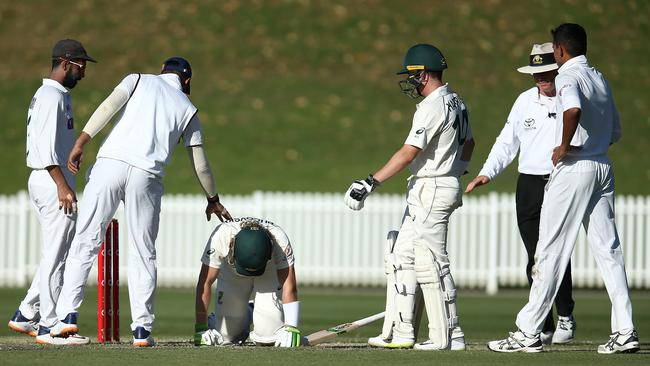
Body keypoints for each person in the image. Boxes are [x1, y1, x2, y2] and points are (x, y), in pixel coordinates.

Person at [48, 57, 232, 347]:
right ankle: (142, 331)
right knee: (143, 252)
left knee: (85, 241)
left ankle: (66, 320)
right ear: (187, 82)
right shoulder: (188, 109)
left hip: (110, 164)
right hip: (147, 174)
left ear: (162, 72)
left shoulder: (136, 80)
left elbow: (107, 108)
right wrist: (213, 199)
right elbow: (200, 163)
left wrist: (80, 142)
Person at [488, 23, 640, 354]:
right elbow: (615, 130)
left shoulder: (567, 77)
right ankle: (625, 330)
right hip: (602, 165)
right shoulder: (599, 77)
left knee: (549, 249)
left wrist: (564, 145)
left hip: (575, 167)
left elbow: (572, 109)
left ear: (559, 51)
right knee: (609, 251)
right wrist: (593, 144)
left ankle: (528, 332)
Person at [344, 44, 474, 350]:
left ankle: (447, 336)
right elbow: (469, 144)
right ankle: (403, 332)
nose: (411, 82)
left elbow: (408, 152)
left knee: (432, 263)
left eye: (414, 75)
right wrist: (457, 170)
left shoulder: (433, 106)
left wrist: (371, 181)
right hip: (433, 185)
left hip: (432, 187)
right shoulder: (457, 101)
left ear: (425, 74)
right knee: (401, 255)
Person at [465, 43, 576, 344]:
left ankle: (565, 313)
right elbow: (506, 143)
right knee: (534, 257)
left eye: (546, 72)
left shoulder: (571, 97)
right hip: (528, 184)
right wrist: (487, 173)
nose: (541, 79)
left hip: (560, 181)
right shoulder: (524, 101)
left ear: (558, 69)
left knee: (555, 252)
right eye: (536, 73)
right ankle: (544, 323)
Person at [7, 39, 96, 345]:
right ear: (65, 62)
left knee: (56, 253)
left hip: (50, 179)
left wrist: (69, 152)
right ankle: (49, 326)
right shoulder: (50, 95)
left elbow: (52, 143)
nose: (83, 73)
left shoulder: (56, 94)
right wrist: (62, 185)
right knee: (58, 255)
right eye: (80, 66)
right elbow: (44, 150)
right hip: (51, 181)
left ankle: (26, 313)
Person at [194, 217, 300, 348]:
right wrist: (201, 328)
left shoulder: (279, 240)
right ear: (232, 246)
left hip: (268, 270)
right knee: (226, 336)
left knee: (268, 337)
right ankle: (249, 311)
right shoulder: (221, 235)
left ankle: (260, 311)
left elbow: (289, 285)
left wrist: (291, 327)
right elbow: (205, 282)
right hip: (232, 270)